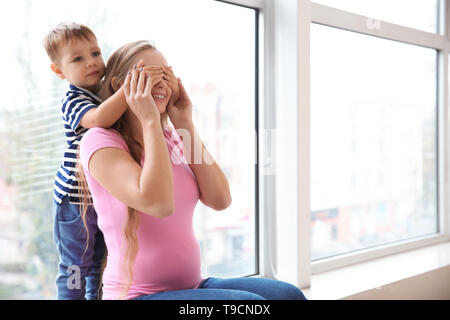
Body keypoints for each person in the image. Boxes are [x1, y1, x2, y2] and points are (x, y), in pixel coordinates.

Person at [78, 40, 306, 300]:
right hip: (135, 296)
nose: (161, 83)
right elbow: (159, 203)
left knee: (289, 296)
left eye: (166, 74)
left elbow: (221, 199)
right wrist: (150, 119)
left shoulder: (173, 137)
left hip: (192, 286)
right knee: (249, 306)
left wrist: (184, 122)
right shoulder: (100, 141)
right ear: (121, 86)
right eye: (149, 75)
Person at [43, 23, 161, 300]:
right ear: (59, 71)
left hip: (101, 197)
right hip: (74, 200)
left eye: (95, 53)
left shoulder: (103, 94)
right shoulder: (73, 100)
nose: (92, 63)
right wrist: (129, 88)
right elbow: (98, 120)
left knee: (101, 260)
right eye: (77, 59)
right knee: (75, 265)